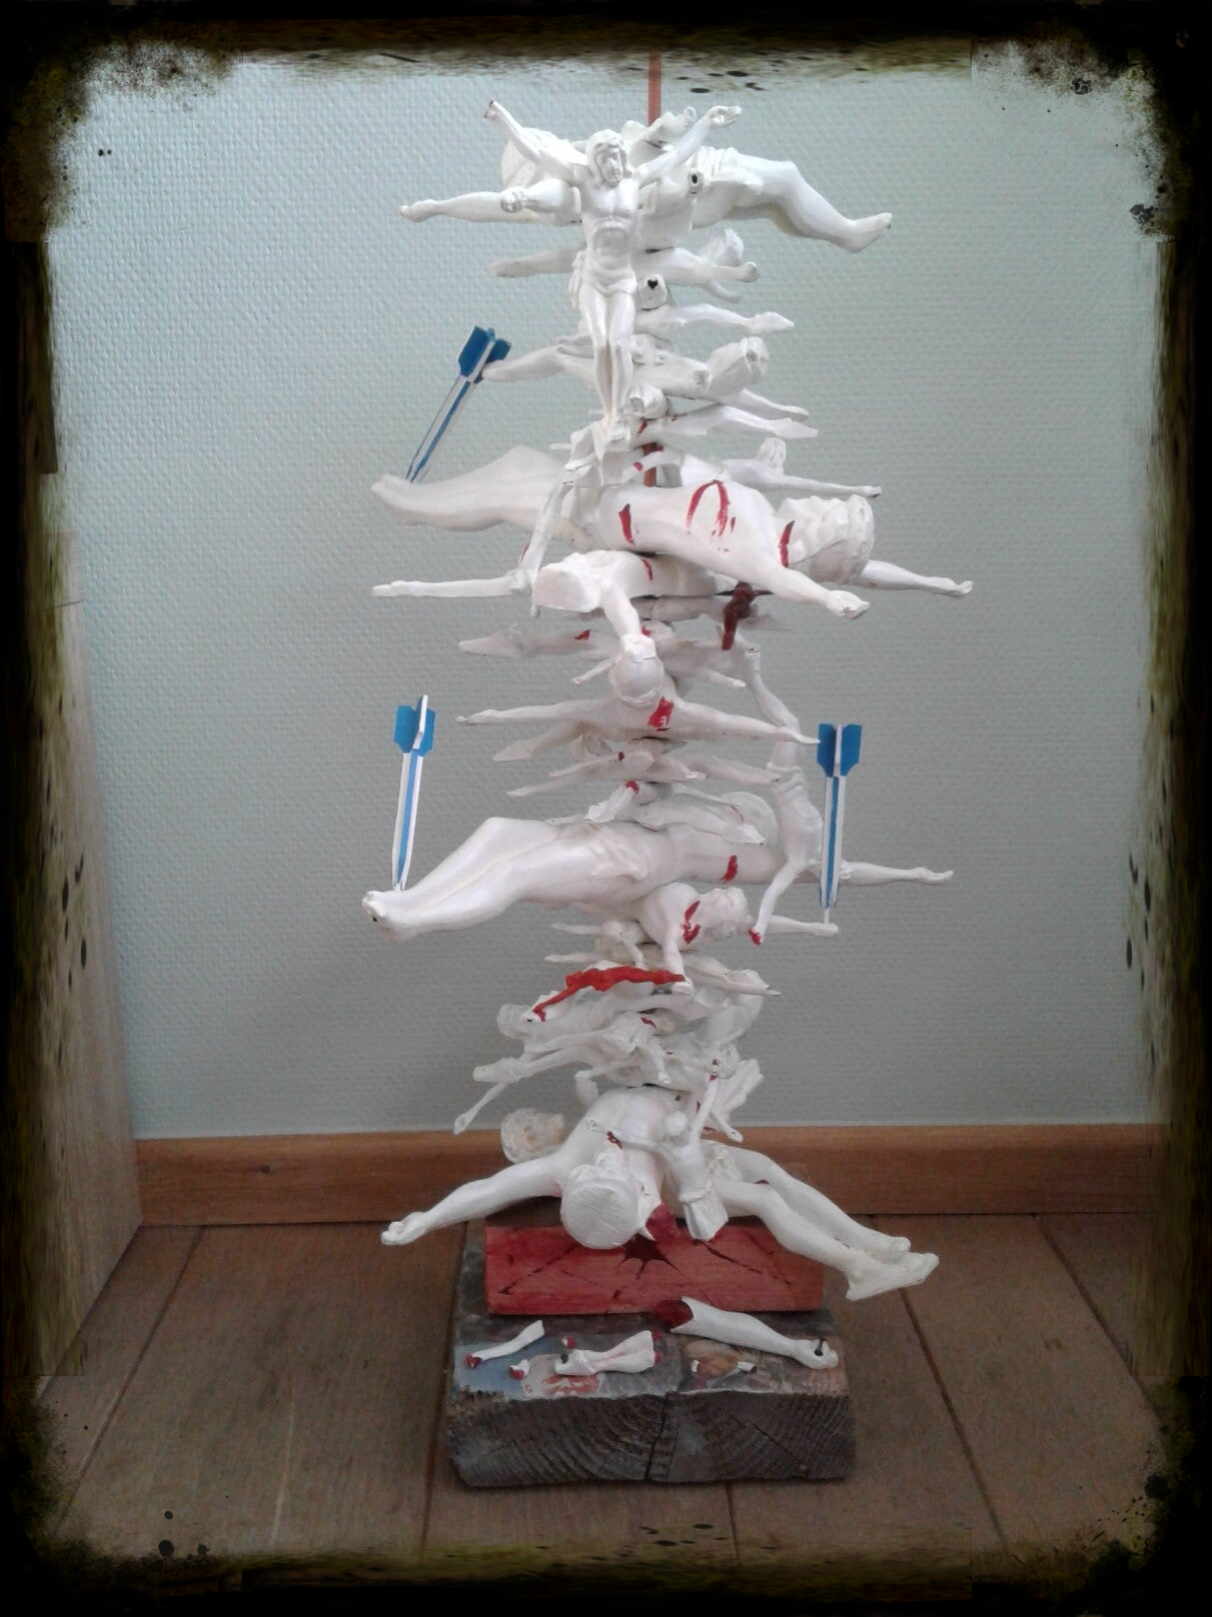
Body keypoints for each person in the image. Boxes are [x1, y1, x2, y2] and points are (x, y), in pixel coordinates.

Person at [483, 100, 741, 443]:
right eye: (605, 160)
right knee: (602, 344)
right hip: (594, 277)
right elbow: (537, 152)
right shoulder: (583, 180)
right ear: (595, 162)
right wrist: (502, 118)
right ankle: (611, 413)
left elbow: (678, 155)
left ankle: (617, 414)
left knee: (618, 345)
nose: (613, 165)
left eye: (617, 157)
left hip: (622, 279)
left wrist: (707, 121)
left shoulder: (636, 179)